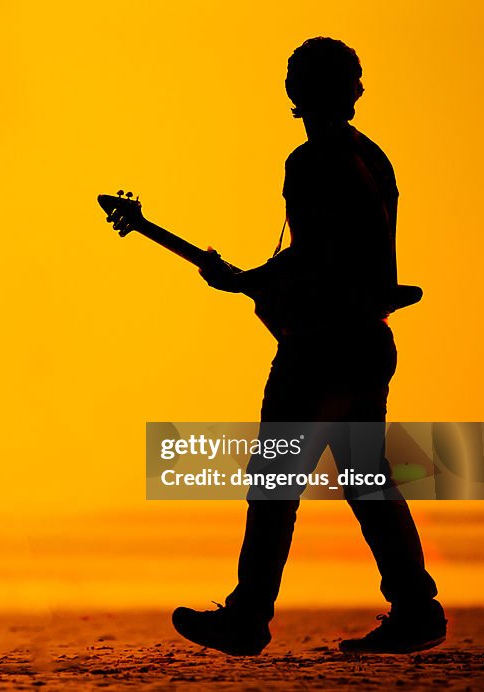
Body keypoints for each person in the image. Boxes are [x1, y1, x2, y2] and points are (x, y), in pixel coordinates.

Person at [171, 37, 447, 655]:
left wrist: (249, 282)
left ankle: (248, 618)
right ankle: (416, 609)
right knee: (364, 477)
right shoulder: (373, 158)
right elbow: (354, 257)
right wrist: (259, 282)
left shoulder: (310, 161)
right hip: (367, 341)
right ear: (351, 89)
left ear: (296, 92)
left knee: (276, 483)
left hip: (320, 347)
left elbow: (316, 256)